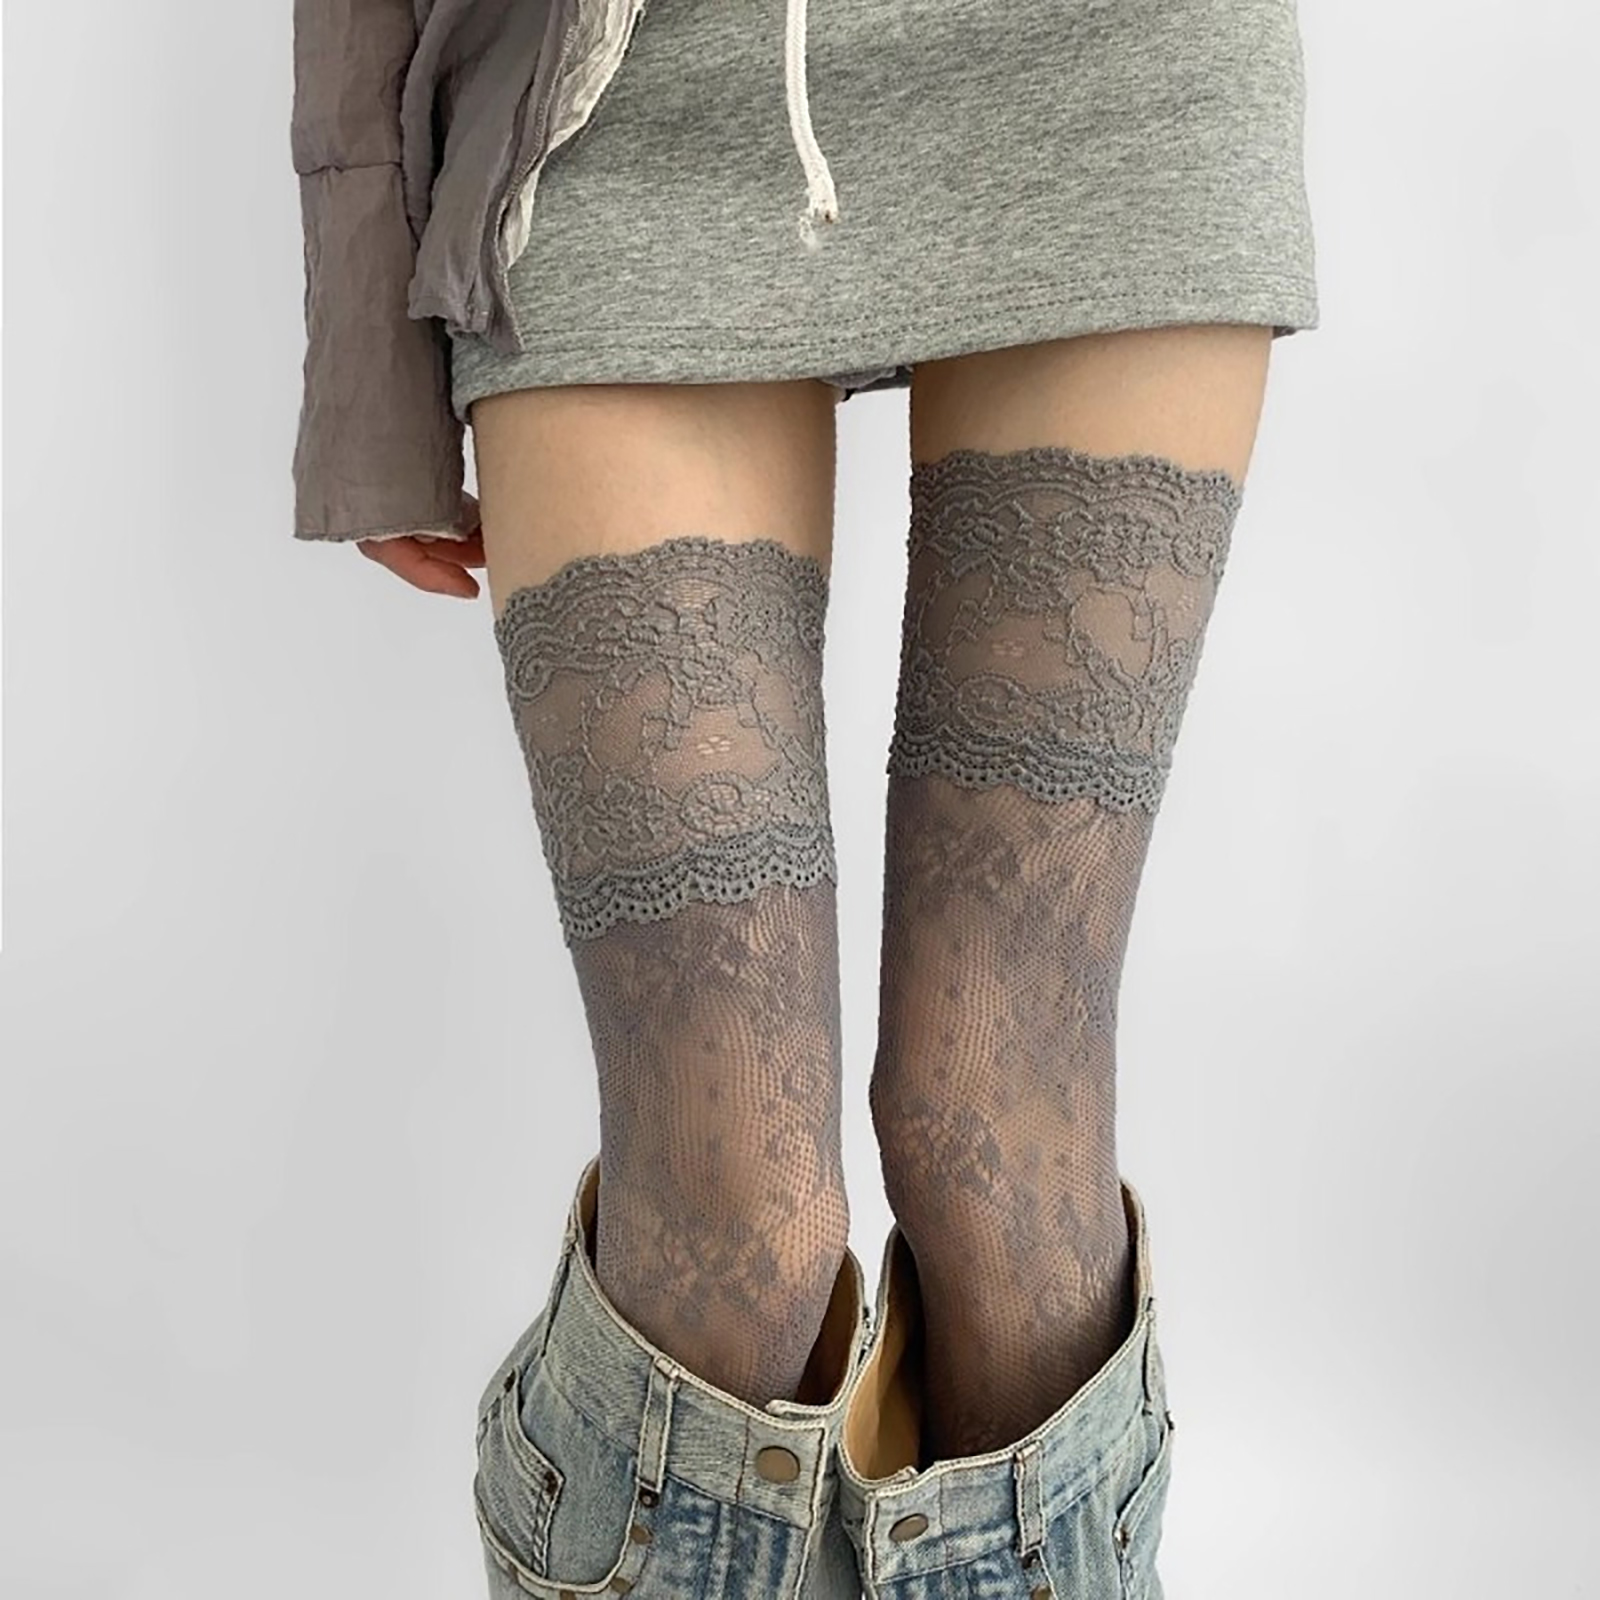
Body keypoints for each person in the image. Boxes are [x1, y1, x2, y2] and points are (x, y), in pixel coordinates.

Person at [289, 0, 1319, 1593]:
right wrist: (366, 305)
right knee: (737, 1216)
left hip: (1113, 73)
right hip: (609, 98)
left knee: (995, 1133)